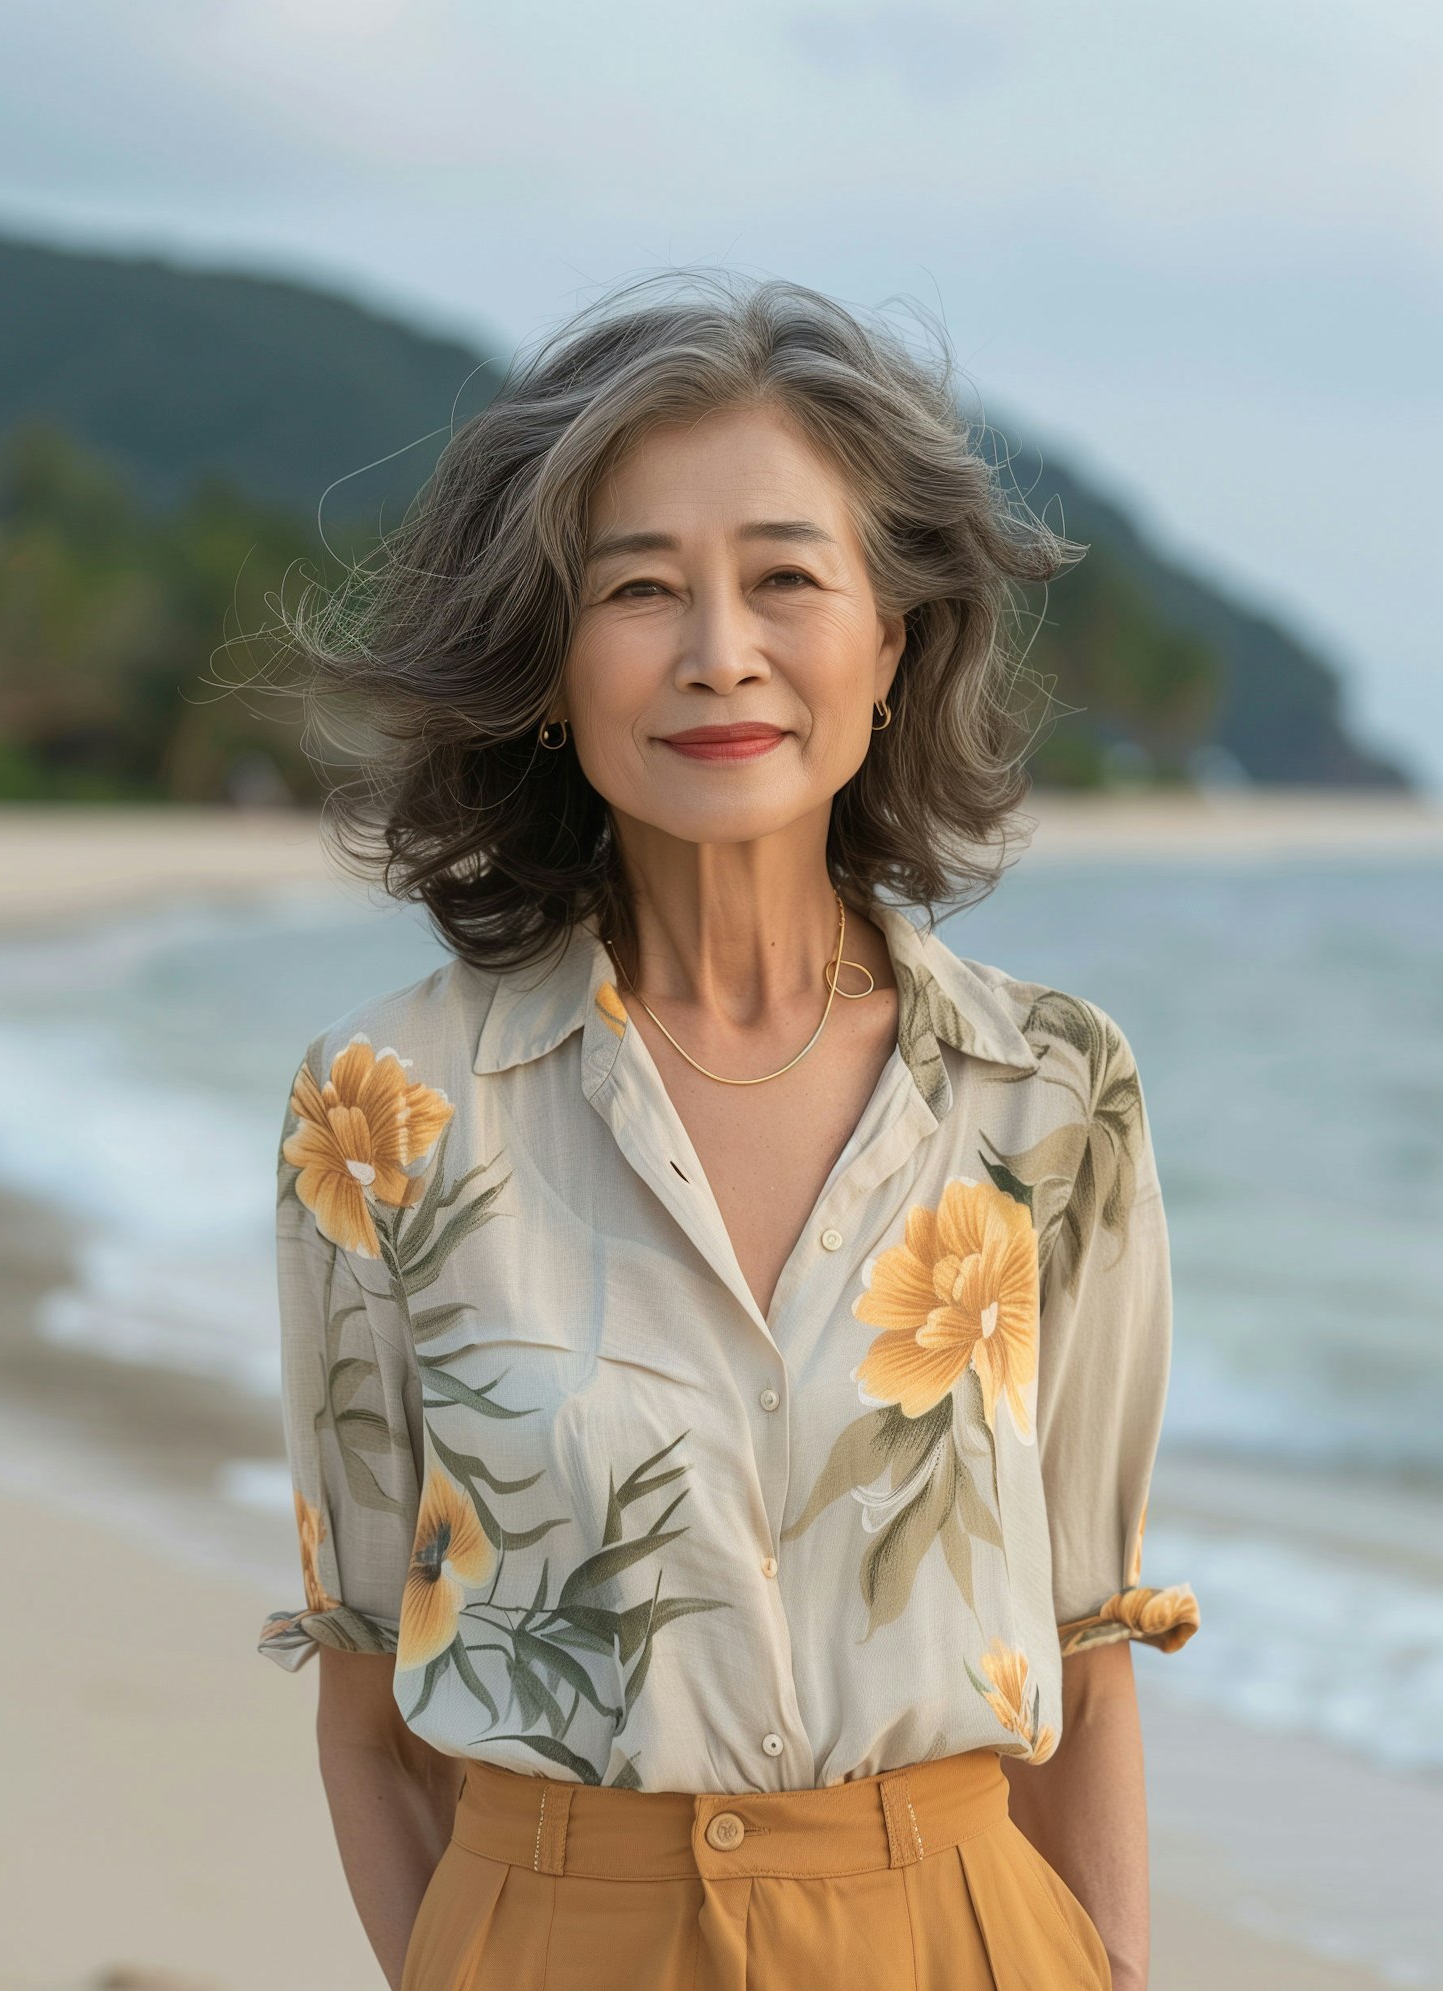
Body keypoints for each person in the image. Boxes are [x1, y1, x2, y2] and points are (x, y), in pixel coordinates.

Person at [255, 270, 1200, 1991]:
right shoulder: (378, 1119)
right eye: (639, 590)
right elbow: (367, 1693)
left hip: (967, 1939)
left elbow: (1087, 1653)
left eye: (784, 577)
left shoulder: (1054, 1093)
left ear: (892, 641)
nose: (719, 654)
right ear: (551, 661)